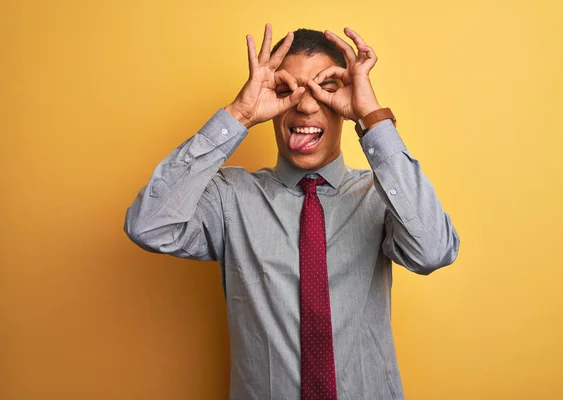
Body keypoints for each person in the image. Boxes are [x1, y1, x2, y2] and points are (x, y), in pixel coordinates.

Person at [125, 24, 459, 400]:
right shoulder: (230, 197)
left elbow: (432, 251)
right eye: (288, 90)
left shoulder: (381, 195)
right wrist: (238, 115)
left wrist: (371, 117)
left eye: (326, 89)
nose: (304, 104)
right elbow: (148, 225)